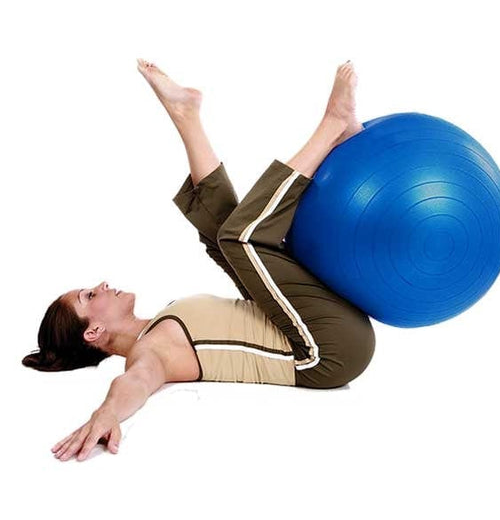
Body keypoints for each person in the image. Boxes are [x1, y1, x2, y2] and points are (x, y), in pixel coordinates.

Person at [24, 59, 375, 461]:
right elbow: (134, 383)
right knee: (239, 239)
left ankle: (186, 115)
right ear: (94, 332)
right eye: (88, 296)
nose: (101, 285)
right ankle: (333, 125)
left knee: (221, 237)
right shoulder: (150, 352)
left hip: (313, 328)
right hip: (327, 352)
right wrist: (105, 414)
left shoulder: (161, 320)